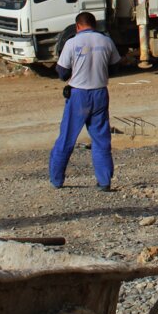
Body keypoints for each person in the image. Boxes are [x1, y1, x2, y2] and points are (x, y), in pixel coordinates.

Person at [49, 11, 121, 191]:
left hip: (79, 95)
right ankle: (104, 182)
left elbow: (62, 72)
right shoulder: (106, 41)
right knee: (101, 139)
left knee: (66, 138)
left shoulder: (72, 43)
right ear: (94, 25)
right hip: (100, 93)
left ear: (78, 26)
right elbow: (115, 67)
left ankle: (57, 180)